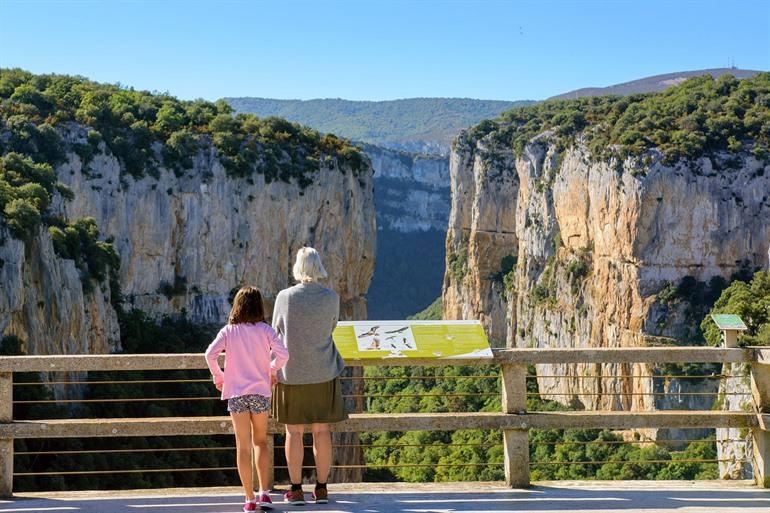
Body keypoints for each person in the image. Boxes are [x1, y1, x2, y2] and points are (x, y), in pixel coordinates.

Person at [272, 247, 348, 505]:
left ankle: (295, 490)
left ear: (298, 267)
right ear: (318, 267)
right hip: (324, 372)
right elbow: (332, 327)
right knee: (322, 431)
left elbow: (276, 331)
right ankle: (322, 488)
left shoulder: (285, 297)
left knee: (293, 433)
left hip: (291, 373)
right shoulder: (331, 297)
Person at [205, 286, 288, 512]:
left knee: (242, 446)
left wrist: (219, 377)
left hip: (236, 393)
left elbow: (210, 355)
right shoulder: (265, 330)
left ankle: (249, 499)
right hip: (260, 391)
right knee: (260, 441)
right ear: (259, 306)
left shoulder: (228, 331)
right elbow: (284, 354)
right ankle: (264, 493)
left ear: (237, 306)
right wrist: (271, 370)